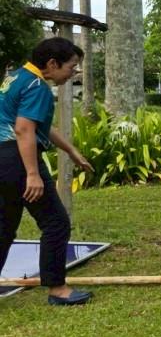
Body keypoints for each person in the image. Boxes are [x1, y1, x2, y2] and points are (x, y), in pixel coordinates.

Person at [0, 38, 95, 305]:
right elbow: (24, 129)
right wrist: (32, 174)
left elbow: (38, 124)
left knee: (4, 227)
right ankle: (57, 289)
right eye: (71, 67)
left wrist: (71, 150)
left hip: (3, 158)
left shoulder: (17, 77)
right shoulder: (37, 86)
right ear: (52, 63)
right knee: (55, 222)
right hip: (17, 159)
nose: (73, 73)